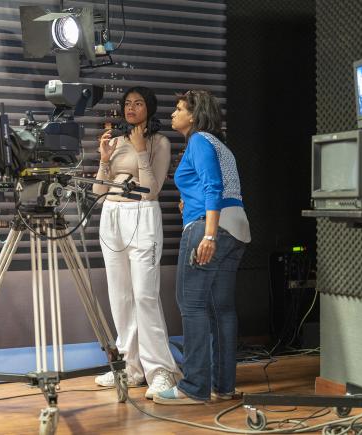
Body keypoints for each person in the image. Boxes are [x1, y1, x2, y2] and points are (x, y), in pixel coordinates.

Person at [154, 90, 250, 405]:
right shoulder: (220, 144)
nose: (173, 114)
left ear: (193, 116)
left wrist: (208, 235)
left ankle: (193, 387)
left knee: (191, 304)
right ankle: (222, 386)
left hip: (210, 229)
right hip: (237, 228)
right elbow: (213, 186)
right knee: (220, 308)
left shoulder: (199, 141)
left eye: (178, 108)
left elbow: (213, 186)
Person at [92, 86, 181, 399]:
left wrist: (141, 149)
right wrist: (104, 159)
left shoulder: (160, 142)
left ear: (149, 108)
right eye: (127, 103)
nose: (131, 108)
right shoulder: (114, 141)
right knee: (120, 296)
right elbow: (98, 193)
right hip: (112, 216)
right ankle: (131, 368)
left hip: (142, 215)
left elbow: (152, 188)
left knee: (144, 295)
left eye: (138, 103)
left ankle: (160, 371)